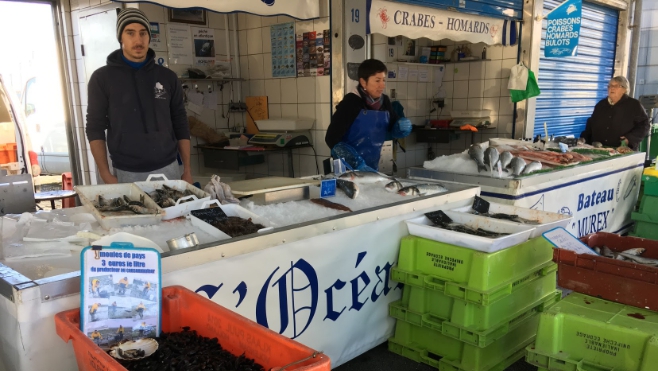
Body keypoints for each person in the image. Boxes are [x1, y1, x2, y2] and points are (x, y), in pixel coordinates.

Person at [86, 8, 191, 184]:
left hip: (169, 168)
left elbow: (180, 121)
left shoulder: (167, 77)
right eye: (130, 33)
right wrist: (105, 174)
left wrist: (187, 170)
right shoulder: (101, 78)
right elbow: (94, 127)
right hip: (124, 171)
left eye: (143, 33)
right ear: (121, 38)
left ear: (149, 37)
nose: (138, 40)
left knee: (175, 212)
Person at [325, 59, 412, 172]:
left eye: (384, 80)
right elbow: (331, 138)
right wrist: (356, 162)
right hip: (346, 170)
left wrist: (401, 127)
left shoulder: (384, 101)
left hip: (372, 166)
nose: (382, 85)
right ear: (363, 82)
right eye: (377, 80)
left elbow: (392, 127)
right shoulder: (351, 102)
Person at [579, 76, 649, 150]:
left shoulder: (634, 105)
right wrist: (583, 139)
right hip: (599, 150)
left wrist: (629, 138)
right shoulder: (601, 105)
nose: (612, 88)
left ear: (624, 90)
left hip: (622, 151)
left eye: (616, 86)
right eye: (610, 86)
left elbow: (644, 125)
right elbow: (591, 124)